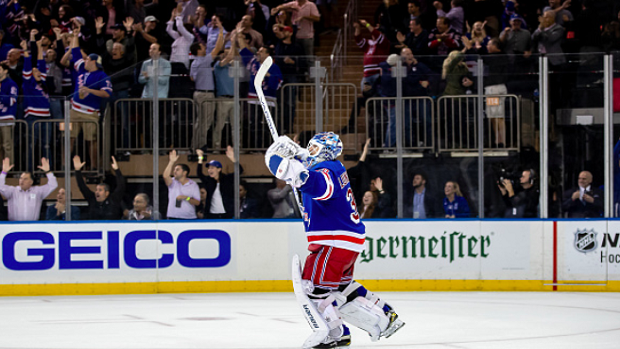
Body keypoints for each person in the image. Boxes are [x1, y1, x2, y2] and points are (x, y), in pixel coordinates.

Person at [265, 132, 404, 348]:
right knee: (340, 287)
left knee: (314, 289)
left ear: (323, 152)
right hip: (346, 239)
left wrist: (278, 162)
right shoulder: (333, 167)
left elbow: (316, 184)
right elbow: (311, 171)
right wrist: (297, 152)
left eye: (313, 149)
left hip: (333, 240)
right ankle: (385, 314)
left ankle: (335, 333)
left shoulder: (326, 170)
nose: (309, 152)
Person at [68, 26, 112, 169]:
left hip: (90, 113)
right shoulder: (81, 69)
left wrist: (90, 90)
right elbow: (75, 52)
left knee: (91, 140)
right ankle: (64, 166)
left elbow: (107, 93)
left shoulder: (102, 76)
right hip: (73, 110)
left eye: (87, 59)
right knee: (68, 138)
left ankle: (94, 167)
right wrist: (75, 36)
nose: (84, 61)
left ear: (94, 62)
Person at [73, 155, 126, 220]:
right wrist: (77, 171)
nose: (97, 192)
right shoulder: (92, 199)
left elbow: (121, 186)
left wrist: (117, 170)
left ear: (107, 193)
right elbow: (82, 187)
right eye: (96, 190)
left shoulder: (113, 200)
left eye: (100, 190)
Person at [195, 146, 241, 219]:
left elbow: (240, 171)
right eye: (209, 168)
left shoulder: (227, 179)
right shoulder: (208, 180)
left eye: (212, 168)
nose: (210, 170)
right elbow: (199, 173)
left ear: (219, 169)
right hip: (211, 214)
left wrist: (233, 159)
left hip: (227, 214)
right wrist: (200, 157)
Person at [163, 150, 201, 220]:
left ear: (184, 173)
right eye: (174, 170)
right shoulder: (173, 182)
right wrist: (171, 162)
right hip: (173, 216)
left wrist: (186, 198)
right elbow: (165, 176)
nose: (174, 171)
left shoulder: (193, 184)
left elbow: (197, 202)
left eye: (177, 170)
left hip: (189, 217)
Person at [0, 62, 18, 163]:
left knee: (7, 144)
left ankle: (9, 169)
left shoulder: (11, 84)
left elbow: (11, 101)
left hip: (6, 118)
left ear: (5, 71)